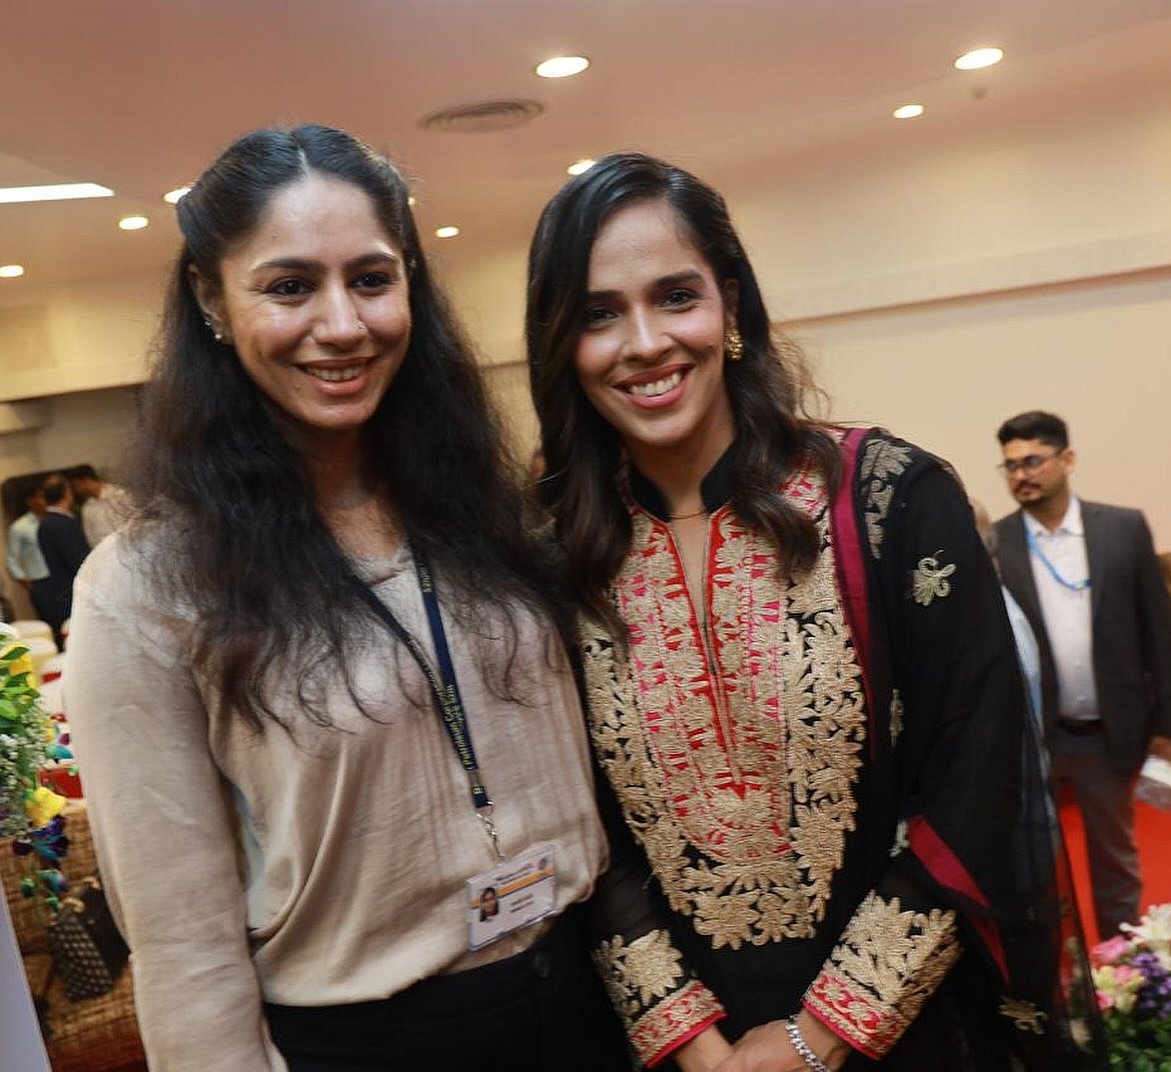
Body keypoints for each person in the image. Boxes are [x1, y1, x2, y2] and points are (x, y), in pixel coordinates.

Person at [64, 124, 629, 1072]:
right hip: (372, 1041)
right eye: (289, 287)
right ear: (210, 299)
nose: (342, 325)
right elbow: (182, 945)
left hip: (583, 996)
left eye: (371, 279)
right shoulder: (150, 584)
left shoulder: (484, 510)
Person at [526, 153, 1100, 1071]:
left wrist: (818, 1036)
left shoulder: (889, 500)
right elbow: (572, 818)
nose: (643, 342)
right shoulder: (552, 553)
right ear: (560, 342)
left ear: (731, 306)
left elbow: (976, 779)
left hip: (898, 1033)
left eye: (675, 297)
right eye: (597, 314)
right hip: (678, 1047)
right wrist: (694, 1043)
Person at [993, 410, 1171, 939]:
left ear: (1066, 459)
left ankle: (1123, 964)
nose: (1021, 475)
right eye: (1010, 466)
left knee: (1115, 859)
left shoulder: (1122, 528)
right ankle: (1058, 973)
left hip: (1107, 732)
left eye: (1032, 461)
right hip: (1035, 737)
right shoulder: (997, 542)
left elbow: (1159, 633)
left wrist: (1165, 729)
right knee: (1038, 864)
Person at [35, 474, 89, 647]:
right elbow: (80, 562)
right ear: (67, 493)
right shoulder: (63, 523)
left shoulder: (44, 523)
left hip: (59, 589)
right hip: (74, 591)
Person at [5, 483, 52, 623]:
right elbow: (11, 560)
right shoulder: (19, 527)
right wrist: (27, 583)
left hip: (63, 578)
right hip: (40, 581)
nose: (45, 500)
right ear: (30, 501)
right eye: (41, 497)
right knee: (50, 622)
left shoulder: (55, 520)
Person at [65, 463, 131, 547]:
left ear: (85, 480)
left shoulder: (118, 494)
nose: (76, 490)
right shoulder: (87, 508)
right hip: (105, 551)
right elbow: (90, 537)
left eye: (76, 485)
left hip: (126, 546)